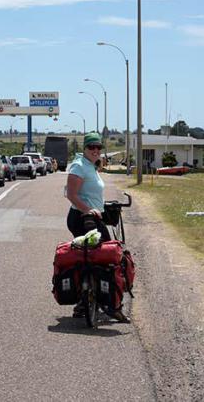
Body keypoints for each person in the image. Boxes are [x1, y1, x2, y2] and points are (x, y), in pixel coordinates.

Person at [65, 132, 130, 323]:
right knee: (108, 256)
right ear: (84, 149)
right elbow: (71, 194)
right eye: (91, 147)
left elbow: (89, 193)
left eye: (98, 147)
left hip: (92, 216)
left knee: (94, 257)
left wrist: (102, 207)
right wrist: (89, 210)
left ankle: (85, 301)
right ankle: (110, 305)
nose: (95, 150)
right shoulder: (79, 166)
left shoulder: (90, 166)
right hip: (82, 217)